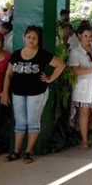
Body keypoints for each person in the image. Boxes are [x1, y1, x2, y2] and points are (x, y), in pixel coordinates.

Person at [4, 26, 65, 163]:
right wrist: (4, 92)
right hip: (18, 93)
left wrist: (50, 79)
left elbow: (60, 65)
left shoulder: (43, 54)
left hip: (37, 93)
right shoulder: (16, 54)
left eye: (34, 38)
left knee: (33, 122)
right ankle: (16, 151)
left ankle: (29, 151)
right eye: (29, 37)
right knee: (19, 122)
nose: (31, 40)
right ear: (24, 38)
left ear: (38, 40)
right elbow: (8, 74)